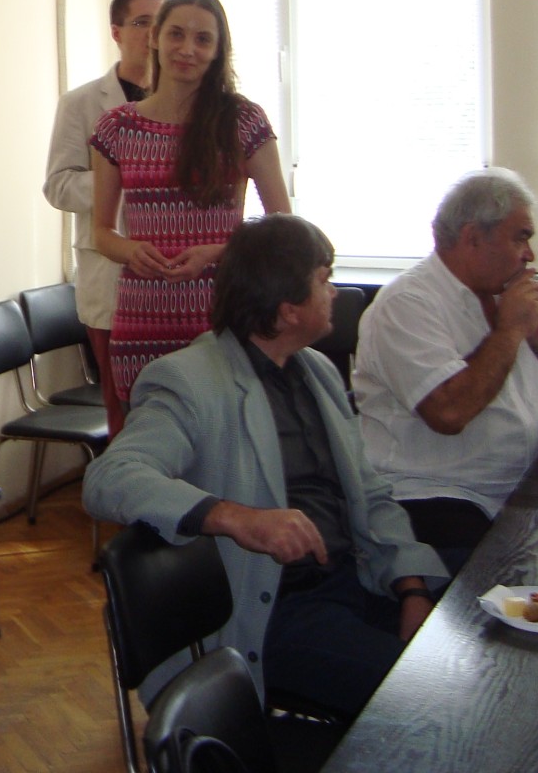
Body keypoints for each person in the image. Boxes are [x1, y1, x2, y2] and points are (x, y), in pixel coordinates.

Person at [83, 214, 447, 717]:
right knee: (431, 700)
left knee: (469, 647)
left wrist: (411, 587)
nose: (334, 292)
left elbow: (370, 493)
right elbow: (110, 477)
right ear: (287, 310)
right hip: (277, 609)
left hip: (357, 579)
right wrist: (237, 517)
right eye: (324, 280)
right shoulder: (188, 380)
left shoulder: (316, 371)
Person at [90, 0, 290, 434]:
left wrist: (216, 252)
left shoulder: (243, 121)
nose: (187, 49)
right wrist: (130, 250)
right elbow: (100, 233)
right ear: (155, 37)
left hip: (222, 318)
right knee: (151, 451)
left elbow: (283, 228)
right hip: (141, 320)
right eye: (176, 34)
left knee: (228, 449)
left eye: (203, 39)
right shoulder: (117, 127)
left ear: (218, 51)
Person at [355, 169, 538, 573]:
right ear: (473, 237)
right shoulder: (406, 304)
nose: (529, 254)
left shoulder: (504, 297)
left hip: (516, 490)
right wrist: (509, 331)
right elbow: (449, 413)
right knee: (523, 590)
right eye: (520, 237)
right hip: (434, 497)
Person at [43, 0, 163, 407]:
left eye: (161, 23)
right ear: (116, 32)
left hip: (172, 278)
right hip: (110, 280)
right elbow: (58, 186)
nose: (153, 33)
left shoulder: (182, 102)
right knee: (124, 410)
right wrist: (124, 180)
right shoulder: (81, 103)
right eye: (142, 22)